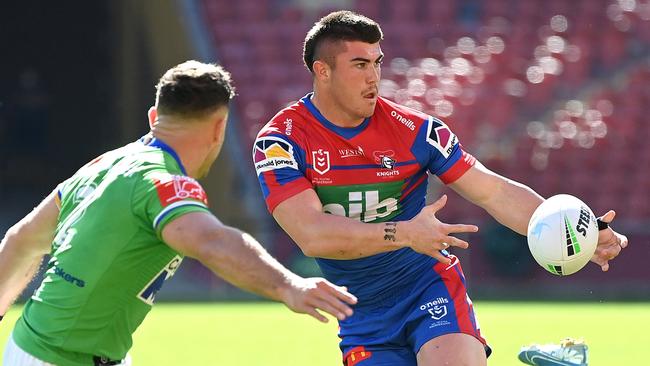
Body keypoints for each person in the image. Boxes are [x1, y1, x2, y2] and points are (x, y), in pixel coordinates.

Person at [252, 10, 628, 366]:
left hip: (427, 287)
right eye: (360, 65)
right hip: (360, 311)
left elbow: (493, 192)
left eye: (378, 62)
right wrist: (404, 233)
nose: (374, 77)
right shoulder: (281, 142)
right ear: (323, 71)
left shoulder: (416, 131)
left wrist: (574, 231)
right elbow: (312, 235)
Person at [0, 60, 357, 366]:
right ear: (219, 129)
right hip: (60, 359)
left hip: (44, 347)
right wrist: (288, 285)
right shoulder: (163, 181)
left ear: (154, 116)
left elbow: (21, 241)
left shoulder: (102, 165)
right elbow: (209, 239)